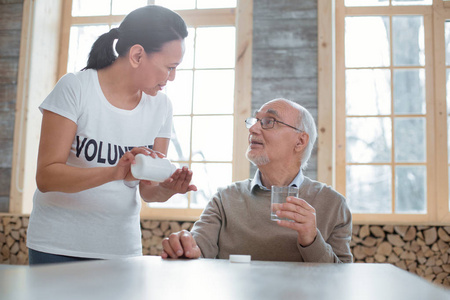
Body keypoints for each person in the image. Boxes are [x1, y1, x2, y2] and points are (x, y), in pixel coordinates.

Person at [27, 5, 197, 265]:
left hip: (121, 249)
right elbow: (46, 177)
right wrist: (115, 172)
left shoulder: (161, 106)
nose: (171, 78)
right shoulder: (75, 88)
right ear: (137, 55)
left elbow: (147, 190)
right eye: (169, 67)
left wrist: (167, 189)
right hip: (56, 245)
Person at [161, 98, 353, 263]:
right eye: (255, 121)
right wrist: (184, 247)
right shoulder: (224, 199)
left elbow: (343, 278)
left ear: (300, 141)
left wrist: (311, 240)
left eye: (269, 121)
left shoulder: (334, 204)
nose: (253, 128)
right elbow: (197, 251)